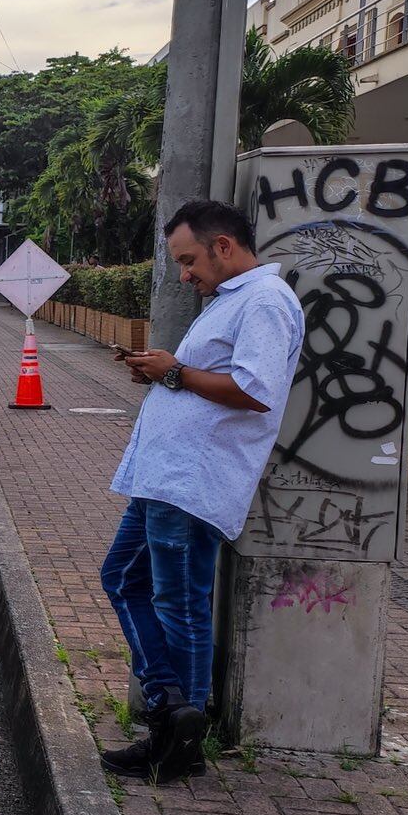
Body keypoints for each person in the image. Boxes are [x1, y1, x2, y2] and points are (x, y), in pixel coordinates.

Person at [100, 200, 303, 783]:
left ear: (223, 246)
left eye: (189, 260)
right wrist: (164, 372)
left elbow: (256, 389)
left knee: (180, 604)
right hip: (166, 478)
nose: (184, 274)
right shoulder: (234, 301)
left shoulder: (264, 301)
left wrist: (172, 371)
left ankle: (178, 740)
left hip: (195, 482)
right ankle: (172, 710)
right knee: (122, 579)